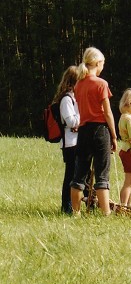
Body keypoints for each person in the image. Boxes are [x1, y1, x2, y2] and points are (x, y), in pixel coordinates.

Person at [70, 47, 118, 216]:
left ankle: (75, 213)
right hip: (99, 130)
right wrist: (113, 135)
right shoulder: (101, 84)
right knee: (102, 174)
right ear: (98, 63)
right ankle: (105, 213)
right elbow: (107, 112)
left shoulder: (78, 84)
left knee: (79, 174)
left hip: (83, 131)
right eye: (103, 64)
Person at [53, 65, 80, 214]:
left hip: (76, 141)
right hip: (70, 143)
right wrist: (82, 121)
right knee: (70, 175)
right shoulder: (66, 99)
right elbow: (70, 121)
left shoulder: (74, 98)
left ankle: (78, 204)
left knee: (78, 174)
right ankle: (67, 206)